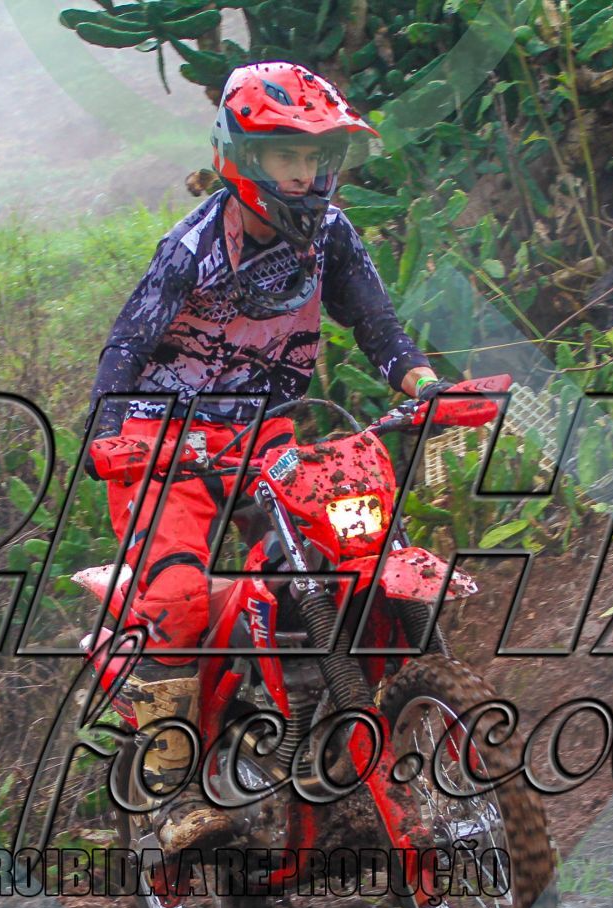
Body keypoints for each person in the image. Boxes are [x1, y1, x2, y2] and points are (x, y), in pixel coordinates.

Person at [86, 60, 452, 851]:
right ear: (244, 158)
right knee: (178, 599)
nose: (306, 174)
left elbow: (377, 326)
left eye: (318, 156)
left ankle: (332, 742)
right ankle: (170, 793)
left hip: (265, 434)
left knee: (336, 562)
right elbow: (125, 348)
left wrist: (421, 382)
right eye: (288, 155)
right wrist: (110, 432)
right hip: (163, 440)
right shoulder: (192, 248)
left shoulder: (332, 233)